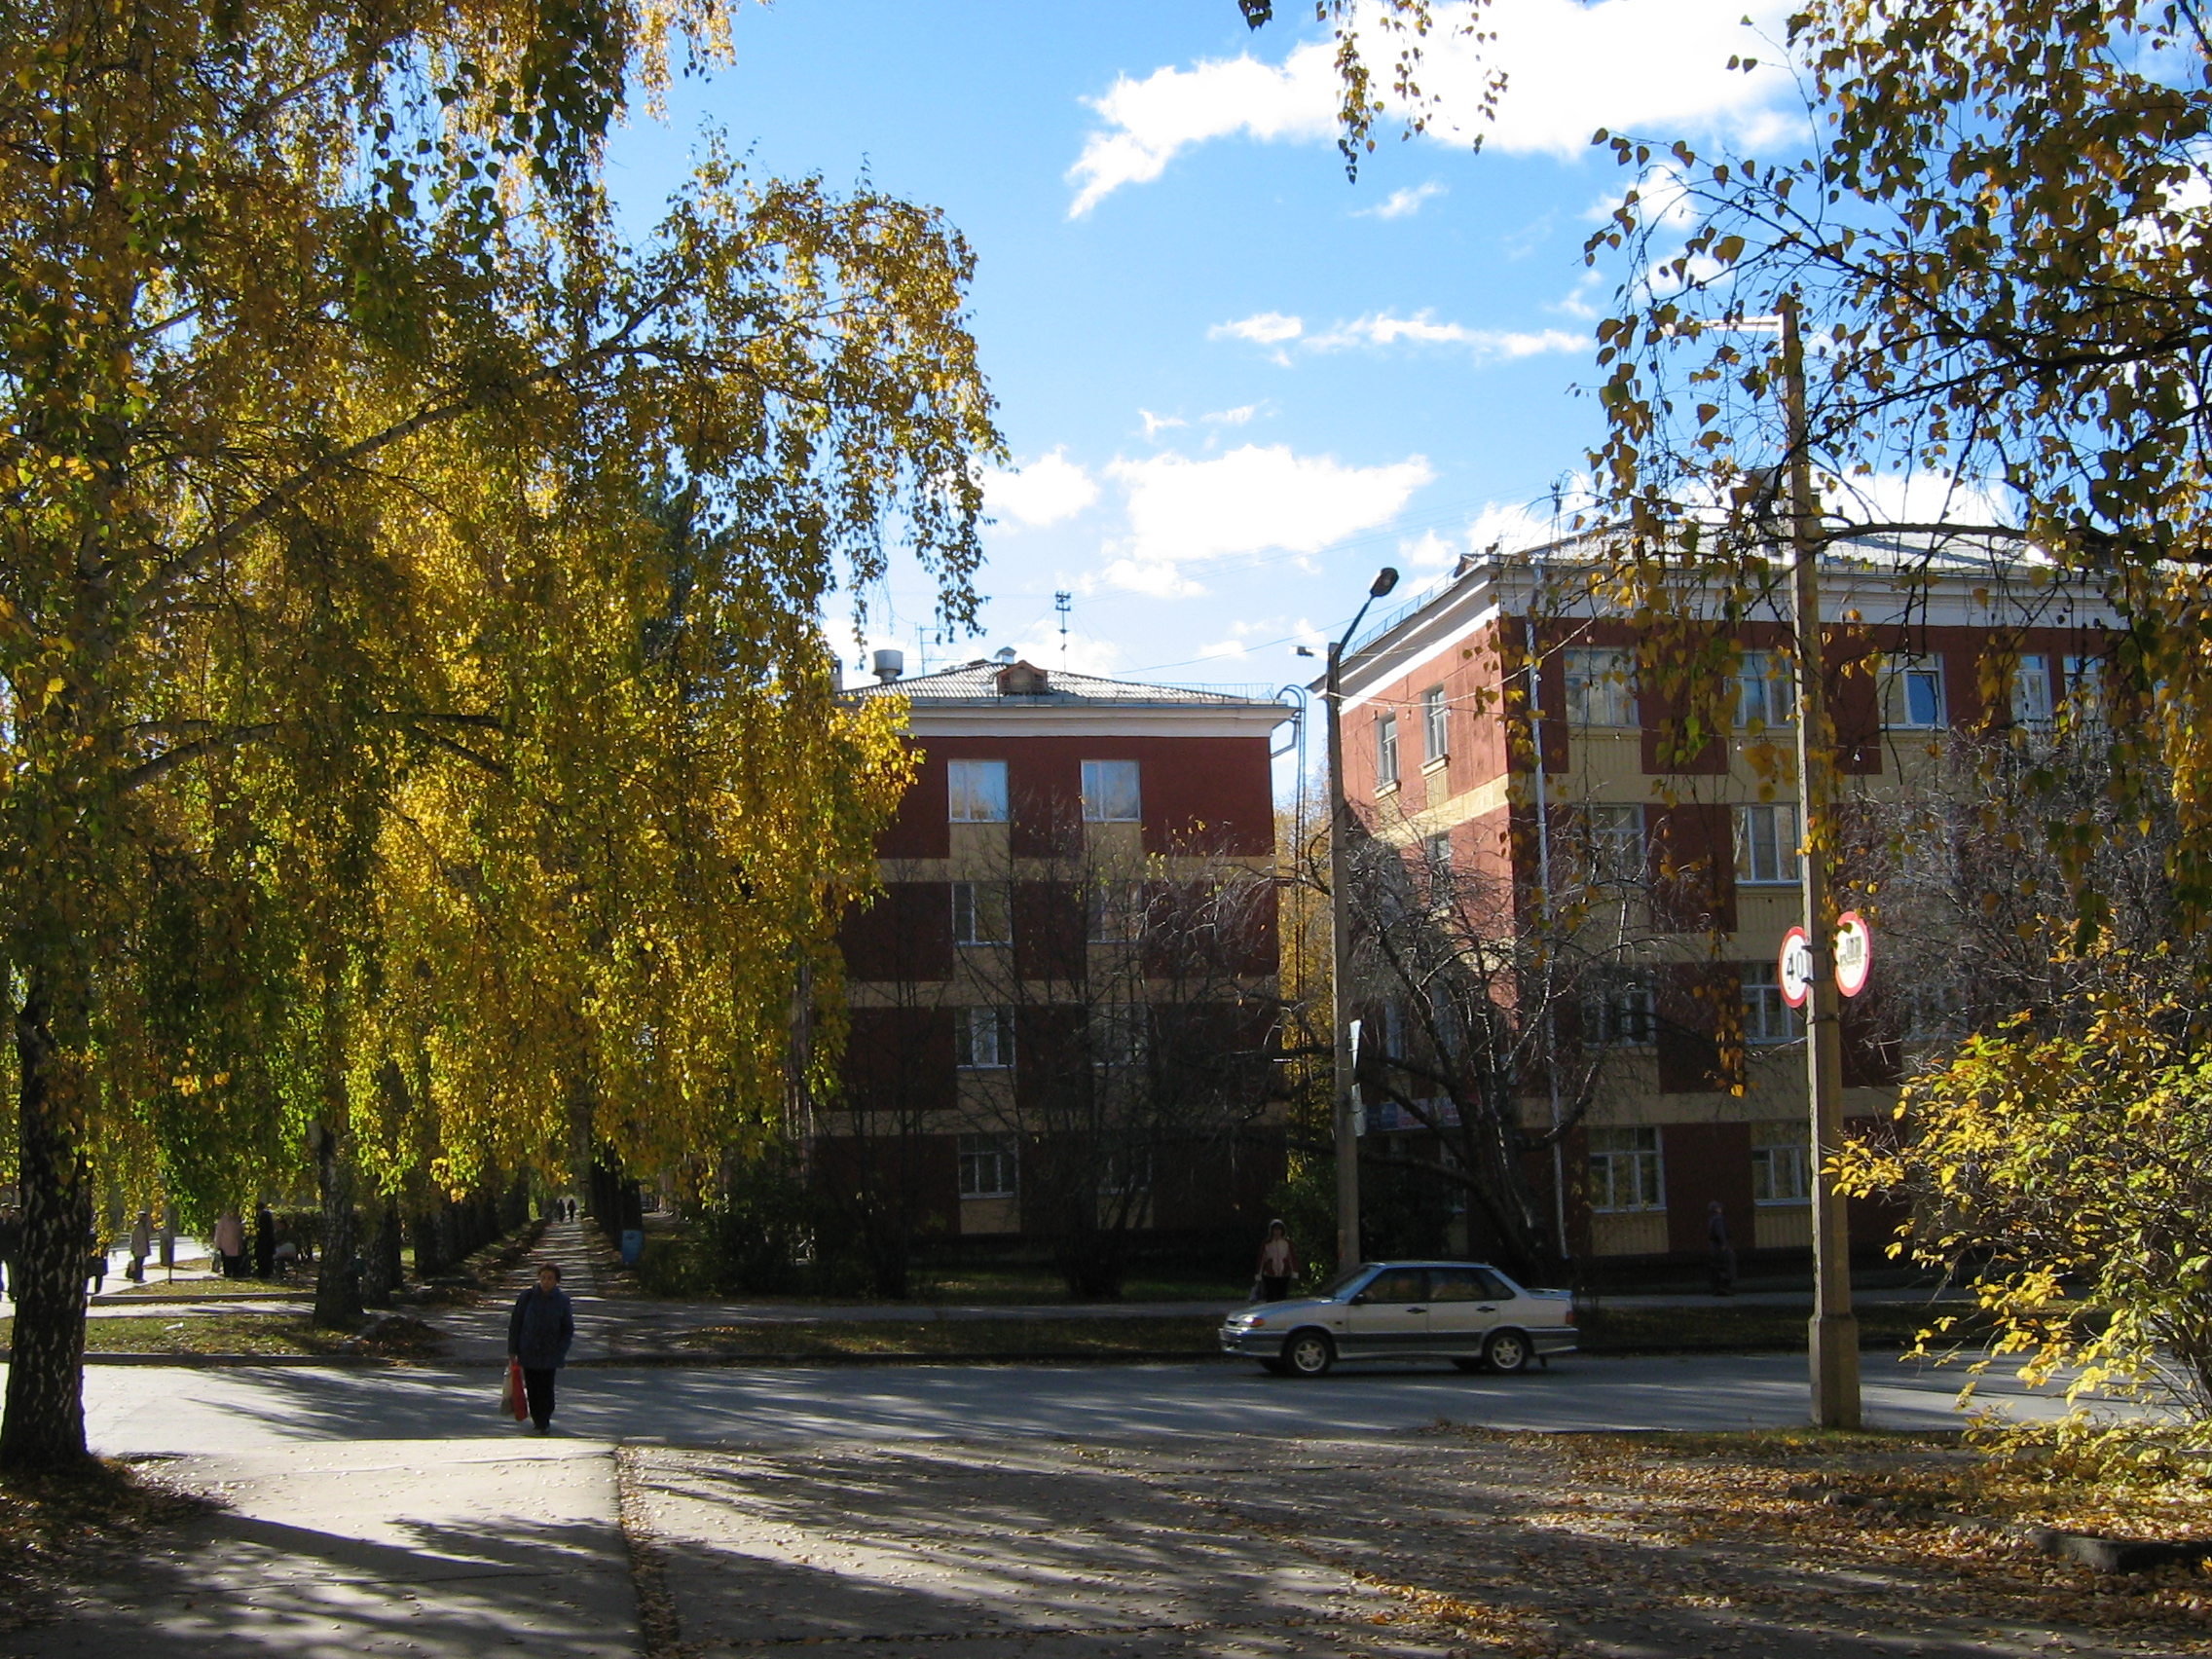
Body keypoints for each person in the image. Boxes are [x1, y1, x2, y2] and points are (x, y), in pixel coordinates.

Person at [507, 1262, 575, 1434]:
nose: (546, 1281)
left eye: (550, 1278)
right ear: (538, 1279)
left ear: (556, 1281)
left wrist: (561, 1349)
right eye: (543, 1277)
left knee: (546, 1387)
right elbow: (516, 1324)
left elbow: (567, 1328)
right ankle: (538, 1420)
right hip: (528, 1349)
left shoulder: (562, 1301)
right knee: (533, 1387)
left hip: (550, 1351)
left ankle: (545, 1419)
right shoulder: (527, 1297)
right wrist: (513, 1350)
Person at [1255, 1220, 1297, 1303]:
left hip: (1284, 1274)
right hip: (1270, 1275)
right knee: (1271, 1297)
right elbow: (1261, 1259)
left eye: (1279, 1230)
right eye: (1275, 1230)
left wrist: (1294, 1272)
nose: (1277, 1232)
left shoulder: (1287, 1243)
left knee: (1282, 1297)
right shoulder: (1267, 1243)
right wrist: (1258, 1274)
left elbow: (1292, 1258)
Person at [1707, 1200, 1737, 1297]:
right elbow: (1720, 1232)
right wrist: (1724, 1243)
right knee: (1726, 1265)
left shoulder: (1711, 1219)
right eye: (1719, 1208)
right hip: (1720, 1246)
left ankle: (1717, 1288)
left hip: (1713, 1247)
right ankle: (1725, 1288)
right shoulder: (1719, 1219)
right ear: (1717, 1209)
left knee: (1716, 1266)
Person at [213, 1208, 246, 1279]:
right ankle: (228, 1275)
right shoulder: (223, 1220)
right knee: (228, 1263)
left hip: (236, 1247)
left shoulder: (237, 1220)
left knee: (236, 1264)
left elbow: (240, 1232)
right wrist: (217, 1245)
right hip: (226, 1248)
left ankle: (235, 1275)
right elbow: (219, 1234)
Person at [0, 1204, 20, 1302]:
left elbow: (17, 1236)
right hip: (1, 1251)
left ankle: (12, 1292)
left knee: (13, 1273)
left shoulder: (14, 1224)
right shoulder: (1, 1223)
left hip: (10, 1251)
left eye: (5, 1212)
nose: (3, 1214)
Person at [128, 1209, 152, 1283]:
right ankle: (137, 1278)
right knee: (138, 1264)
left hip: (142, 1249)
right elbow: (134, 1239)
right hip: (138, 1249)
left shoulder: (144, 1226)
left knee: (140, 1264)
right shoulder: (137, 1226)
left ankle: (139, 1277)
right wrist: (133, 1248)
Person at [254, 1202, 276, 1279]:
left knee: (263, 1258)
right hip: (269, 1241)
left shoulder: (263, 1217)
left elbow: (262, 1230)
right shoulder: (268, 1215)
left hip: (264, 1242)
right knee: (268, 1258)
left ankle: (263, 1273)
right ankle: (266, 1273)